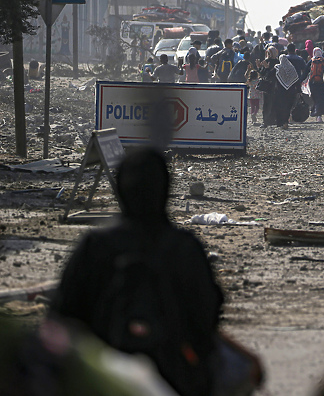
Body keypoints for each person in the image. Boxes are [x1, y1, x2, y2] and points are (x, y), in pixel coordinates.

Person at [50, 148, 225, 396]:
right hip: (175, 377)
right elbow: (206, 316)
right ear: (164, 189)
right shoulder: (184, 248)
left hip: (102, 380)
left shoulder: (96, 246)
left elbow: (63, 318)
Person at [274, 53, 300, 129]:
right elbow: (296, 80)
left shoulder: (278, 68)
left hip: (280, 92)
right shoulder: (292, 68)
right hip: (291, 92)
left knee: (280, 107)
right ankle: (285, 122)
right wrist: (299, 90)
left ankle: (280, 123)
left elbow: (271, 77)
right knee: (288, 108)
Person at [307, 47, 324, 123]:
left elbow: (305, 72)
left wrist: (301, 81)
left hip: (313, 83)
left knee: (317, 100)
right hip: (323, 83)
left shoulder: (311, 61)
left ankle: (318, 116)